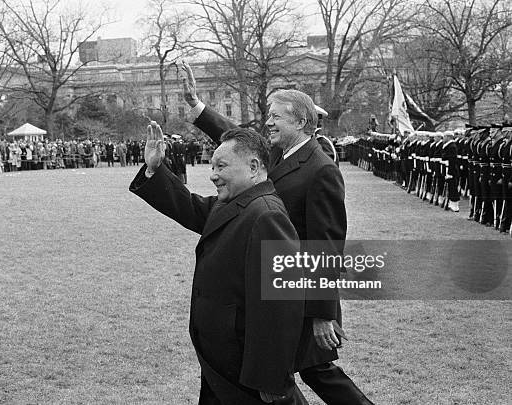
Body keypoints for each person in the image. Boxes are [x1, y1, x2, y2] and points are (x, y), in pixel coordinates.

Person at [180, 61, 373, 405]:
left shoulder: (320, 169)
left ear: (300, 122)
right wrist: (198, 108)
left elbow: (327, 245)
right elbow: (238, 137)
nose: (267, 122)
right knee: (304, 372)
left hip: (301, 292)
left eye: (275, 117)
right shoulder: (279, 153)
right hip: (276, 287)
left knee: (316, 371)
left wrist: (322, 313)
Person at [130, 122, 308, 404]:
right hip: (222, 361)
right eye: (212, 166)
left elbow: (282, 307)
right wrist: (155, 169)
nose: (213, 175)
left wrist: (271, 377)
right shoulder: (236, 202)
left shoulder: (266, 216)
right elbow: (189, 206)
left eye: (221, 166)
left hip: (246, 372)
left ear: (253, 167)